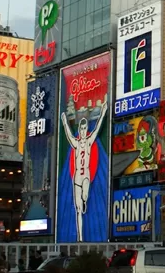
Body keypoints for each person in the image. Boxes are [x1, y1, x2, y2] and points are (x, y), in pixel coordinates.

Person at [61, 99, 108, 242]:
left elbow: (98, 128)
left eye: (84, 129)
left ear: (85, 129)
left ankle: (85, 198)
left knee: (86, 193)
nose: (82, 131)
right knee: (78, 210)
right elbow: (69, 135)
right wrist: (64, 121)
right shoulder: (75, 143)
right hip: (76, 178)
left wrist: (104, 112)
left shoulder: (88, 141)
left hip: (86, 175)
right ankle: (80, 237)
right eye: (80, 129)